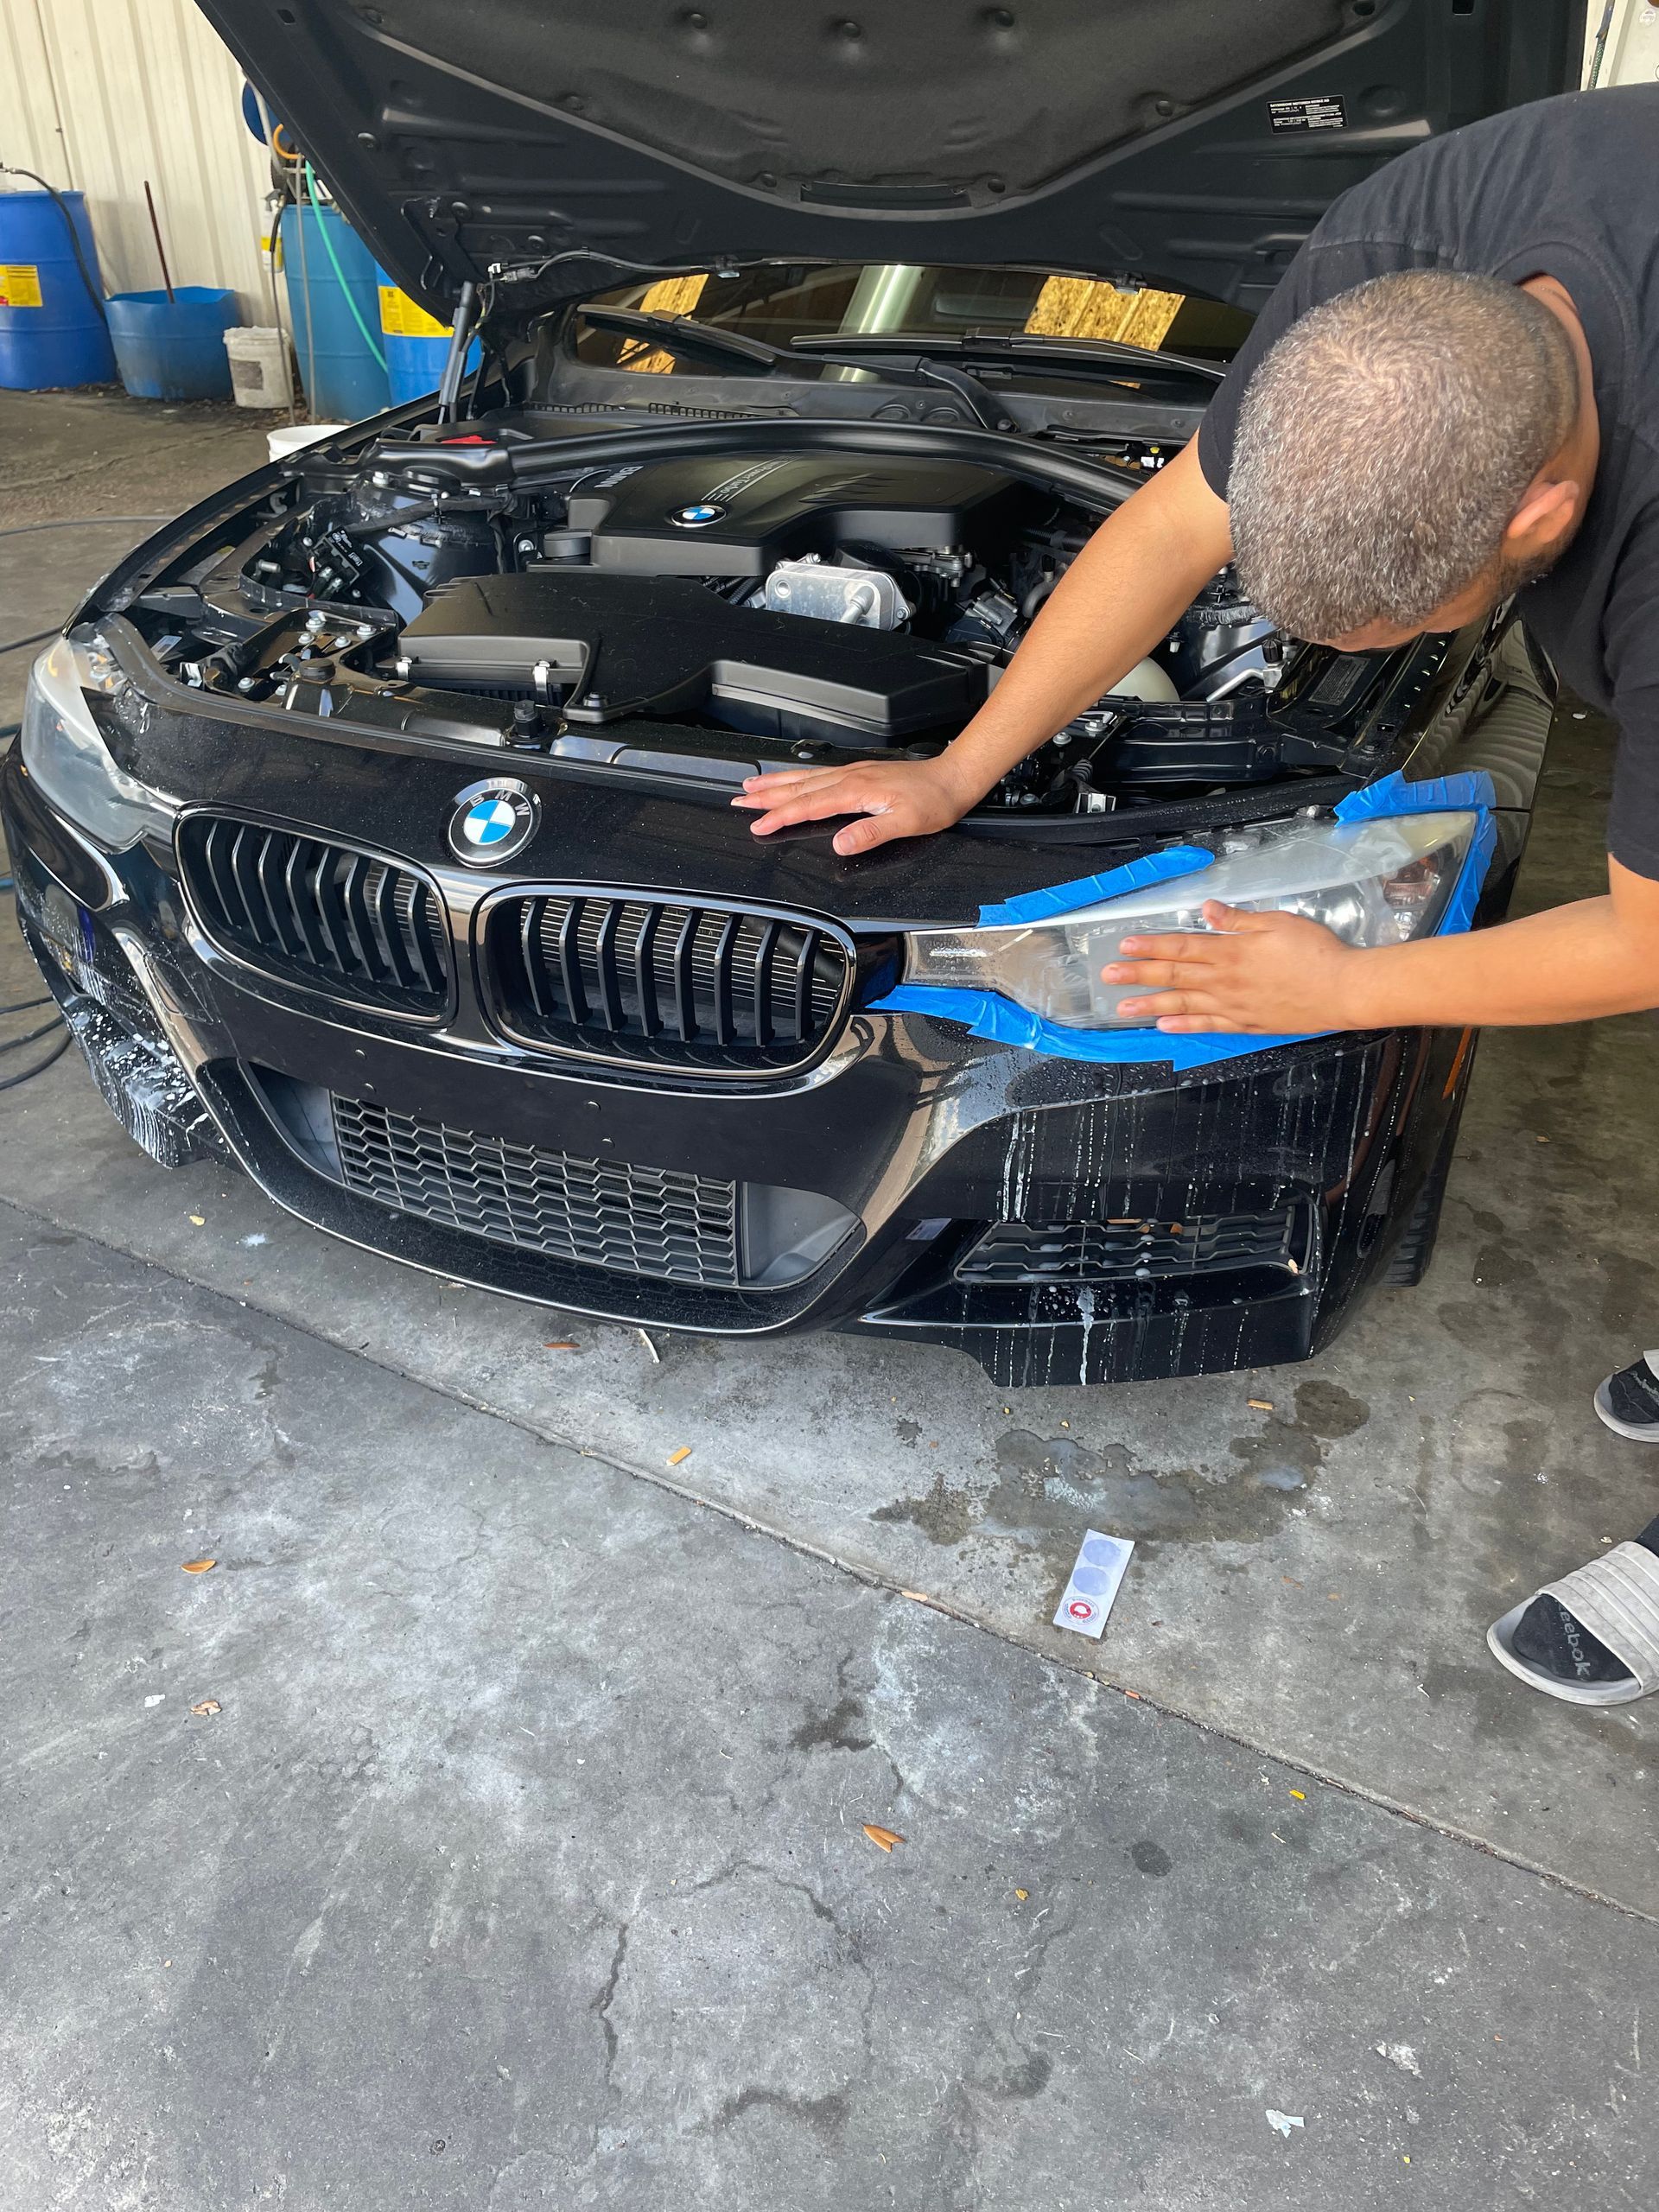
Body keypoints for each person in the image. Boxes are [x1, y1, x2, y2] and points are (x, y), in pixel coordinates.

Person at [731, 84, 1659, 1705]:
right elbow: (1174, 516)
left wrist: (1347, 987)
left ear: (1544, 518)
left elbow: (1651, 938)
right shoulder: (1396, 264)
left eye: (1419, 619)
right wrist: (964, 766)